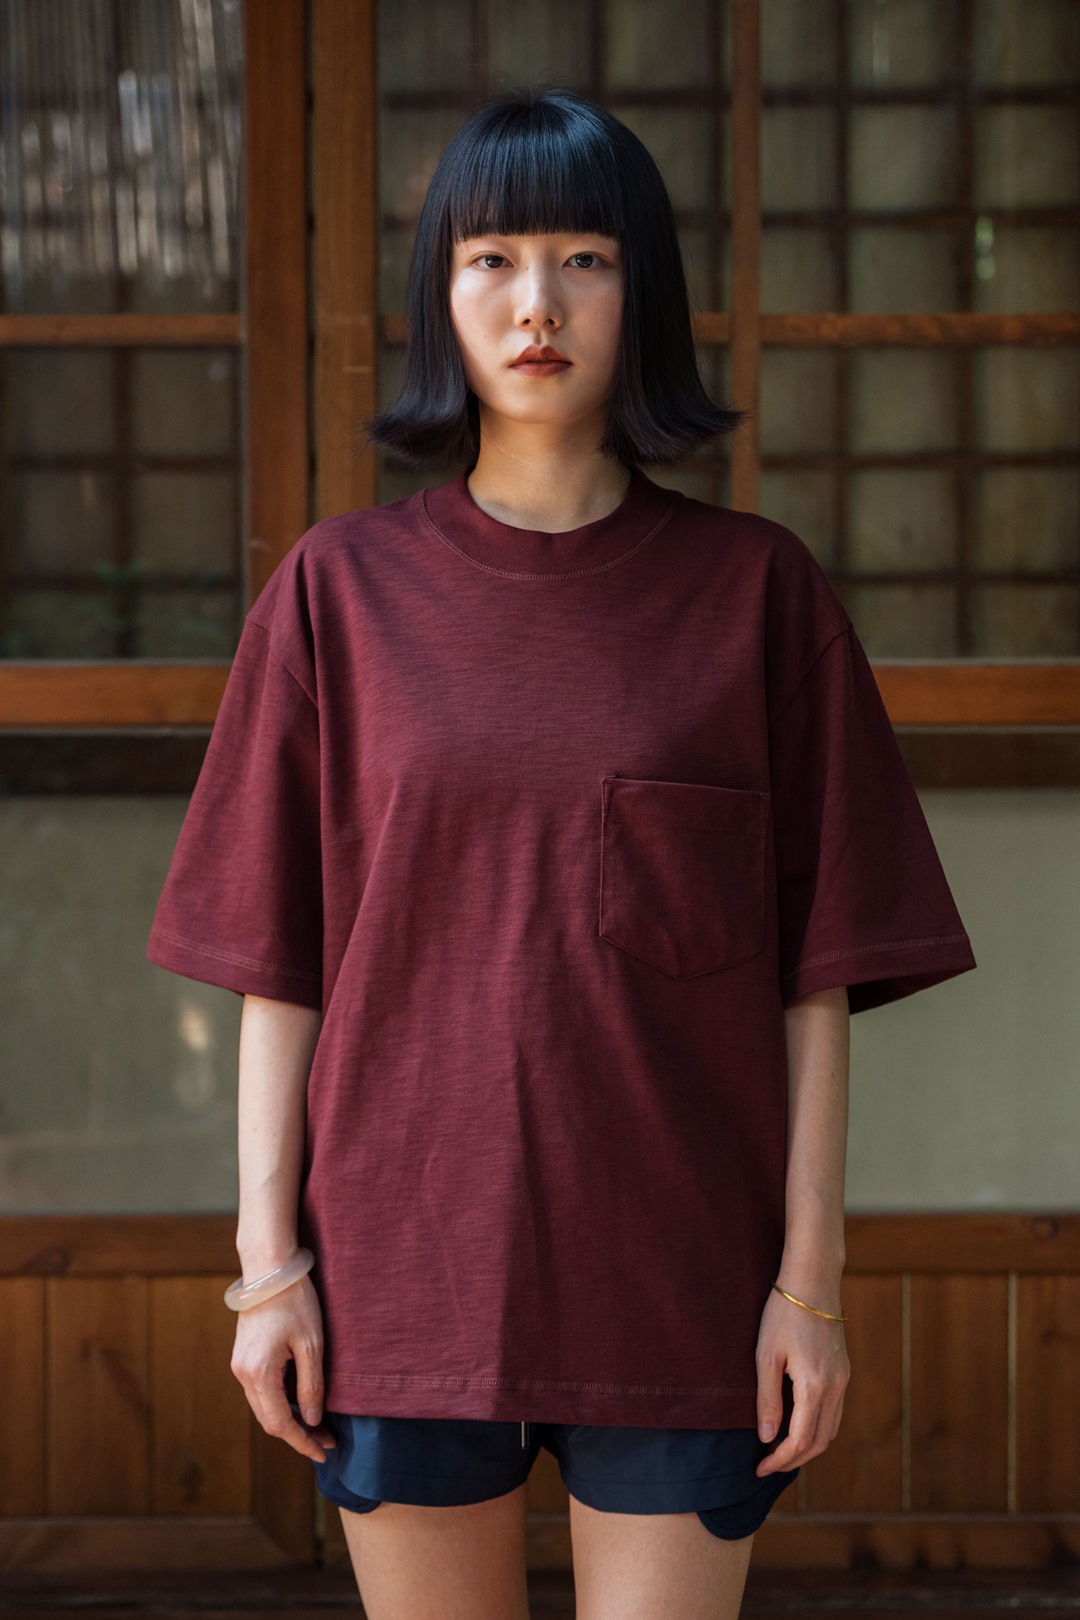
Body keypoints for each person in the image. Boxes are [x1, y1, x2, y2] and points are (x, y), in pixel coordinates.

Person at [147, 87, 977, 1620]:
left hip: (684, 1274)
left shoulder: (758, 597)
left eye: (586, 259)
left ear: (641, 292)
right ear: (440, 296)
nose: (538, 304)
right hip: (402, 1270)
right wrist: (269, 1269)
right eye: (493, 258)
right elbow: (277, 960)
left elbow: (816, 981)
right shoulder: (336, 594)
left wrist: (810, 1285)